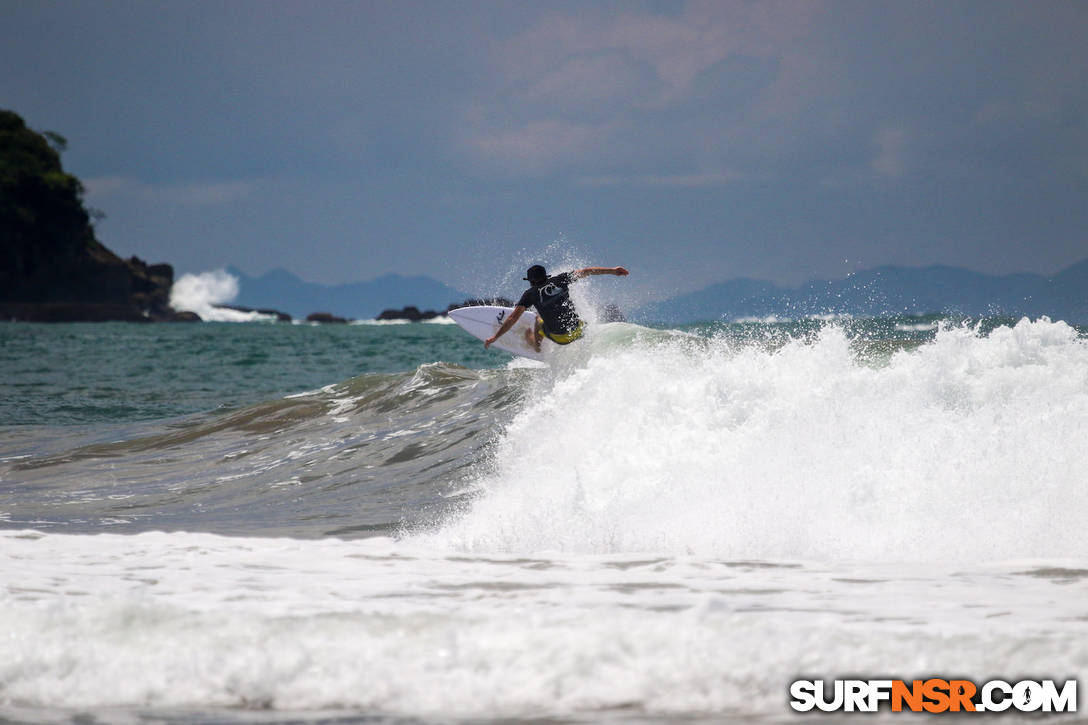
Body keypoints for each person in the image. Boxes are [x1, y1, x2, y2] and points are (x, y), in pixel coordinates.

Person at [484, 264, 629, 352]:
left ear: (531, 281)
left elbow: (513, 318)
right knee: (582, 321)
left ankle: (536, 345)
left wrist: (495, 337)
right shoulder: (561, 279)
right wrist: (612, 270)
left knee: (537, 318)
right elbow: (586, 271)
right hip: (578, 331)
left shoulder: (530, 294)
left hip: (561, 338)